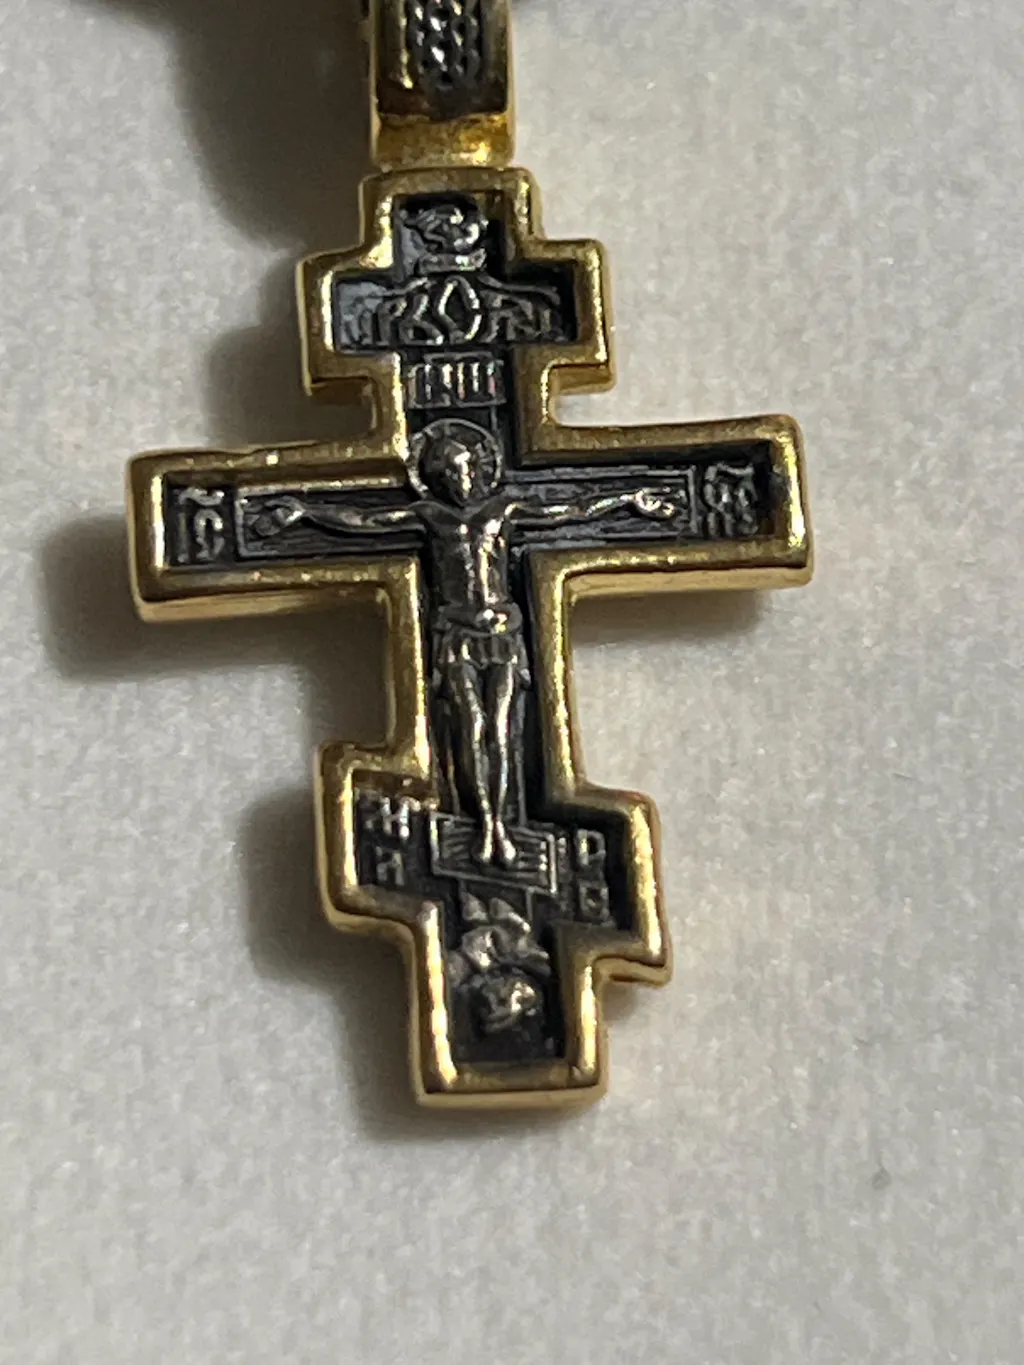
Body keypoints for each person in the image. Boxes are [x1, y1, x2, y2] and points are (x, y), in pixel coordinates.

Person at [258, 420, 682, 867]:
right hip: (456, 636)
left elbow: (571, 510)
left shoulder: (504, 508)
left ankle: (500, 823)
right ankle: (484, 822)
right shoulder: (430, 515)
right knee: (470, 725)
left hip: (501, 634)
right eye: (446, 472)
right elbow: (365, 521)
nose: (456, 479)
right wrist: (304, 512)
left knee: (501, 730)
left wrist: (628, 499)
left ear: (477, 470)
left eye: (461, 469)